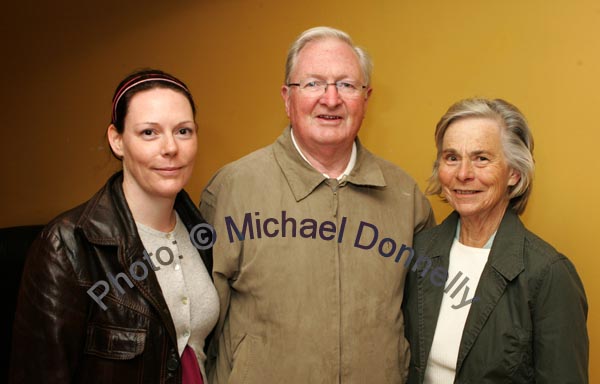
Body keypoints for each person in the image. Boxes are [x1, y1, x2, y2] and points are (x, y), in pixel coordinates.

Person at [200, 26, 434, 383]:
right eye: (312, 84)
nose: (330, 99)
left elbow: (423, 321)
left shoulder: (405, 197)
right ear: (286, 97)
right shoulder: (233, 189)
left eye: (346, 85)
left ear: (366, 99)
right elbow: (198, 328)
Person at [9, 69, 219, 383]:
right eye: (149, 132)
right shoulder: (67, 245)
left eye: (183, 131)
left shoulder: (203, 231)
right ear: (117, 140)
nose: (171, 147)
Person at [403, 98, 589, 383]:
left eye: (481, 158)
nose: (463, 174)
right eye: (452, 157)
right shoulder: (419, 252)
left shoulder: (548, 273)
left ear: (514, 173)